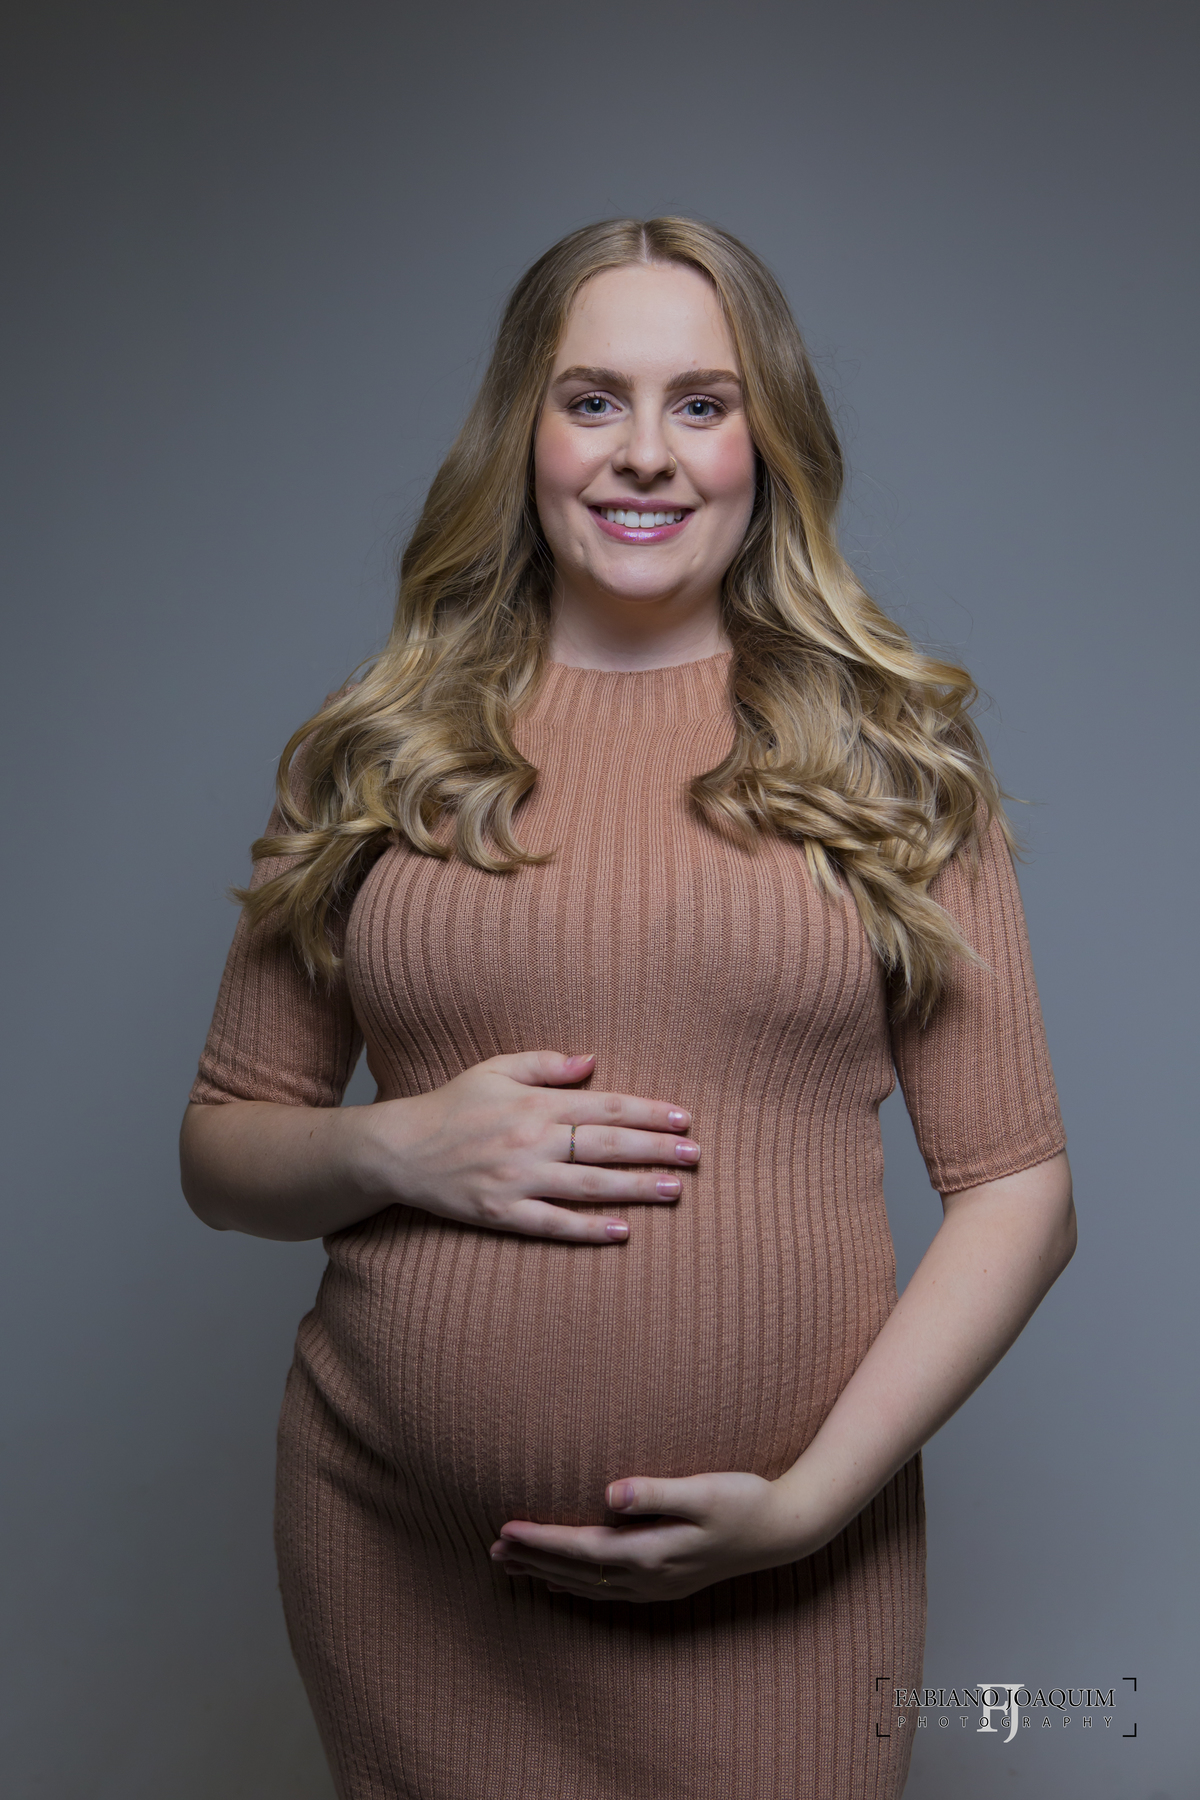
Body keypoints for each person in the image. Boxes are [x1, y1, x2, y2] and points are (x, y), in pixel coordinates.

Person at [180, 217, 1075, 1800]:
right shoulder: (377, 751)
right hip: (408, 1569)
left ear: (765, 442)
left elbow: (1021, 1191)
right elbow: (219, 1151)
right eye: (592, 399)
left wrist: (807, 1508)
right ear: (520, 432)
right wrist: (397, 1146)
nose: (644, 453)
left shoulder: (890, 759)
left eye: (701, 404)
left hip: (788, 1577)